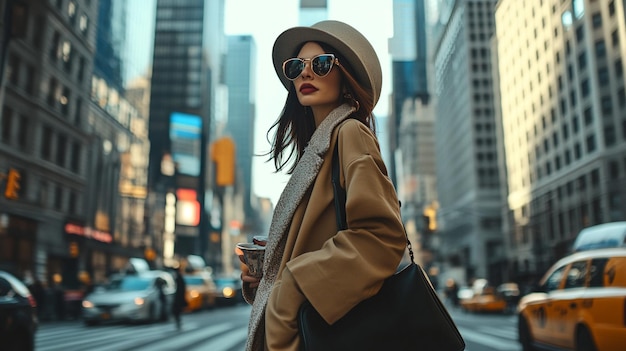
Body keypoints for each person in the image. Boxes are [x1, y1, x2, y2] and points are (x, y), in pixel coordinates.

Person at [240, 20, 406, 351]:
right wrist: (268, 273)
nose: (306, 73)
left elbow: (382, 236)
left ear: (346, 79)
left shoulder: (350, 134)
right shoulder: (319, 149)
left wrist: (292, 287)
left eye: (321, 64)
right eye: (297, 66)